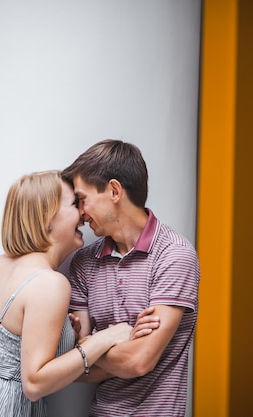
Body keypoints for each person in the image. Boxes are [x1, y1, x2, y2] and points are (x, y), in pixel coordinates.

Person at [0, 170, 159, 417]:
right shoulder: (50, 283)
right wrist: (106, 338)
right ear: (47, 218)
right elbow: (34, 384)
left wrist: (65, 336)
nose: (83, 213)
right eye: (75, 204)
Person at [62, 140, 201, 417]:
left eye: (83, 199)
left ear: (114, 191)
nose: (80, 212)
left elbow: (138, 361)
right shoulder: (83, 263)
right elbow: (71, 370)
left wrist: (90, 344)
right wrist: (115, 338)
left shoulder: (175, 256)